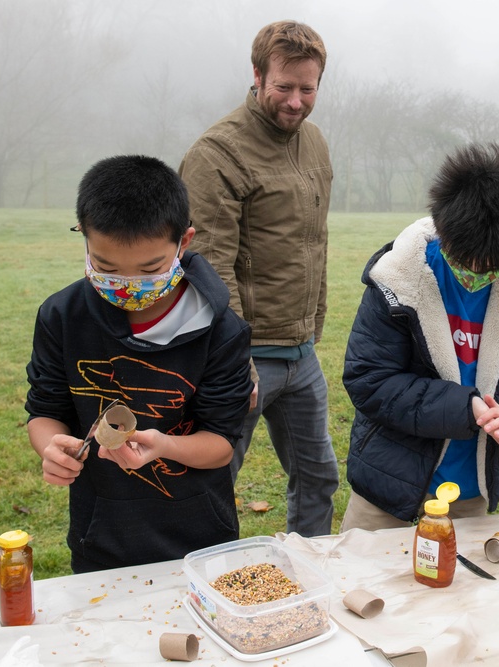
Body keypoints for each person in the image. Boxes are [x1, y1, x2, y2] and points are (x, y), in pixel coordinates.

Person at [25, 155, 253, 573]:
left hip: (199, 535)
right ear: (84, 236)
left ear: (184, 242)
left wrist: (164, 446)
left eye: (150, 269)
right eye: (107, 267)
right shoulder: (62, 316)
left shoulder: (222, 329)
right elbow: (45, 410)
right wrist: (51, 448)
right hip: (102, 533)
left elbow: (220, 444)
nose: (127, 285)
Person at [340, 143, 499, 531]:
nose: (476, 273)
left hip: (469, 494)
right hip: (386, 489)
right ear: (443, 228)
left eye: (492, 267)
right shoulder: (397, 278)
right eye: (464, 260)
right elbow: (369, 379)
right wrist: (466, 408)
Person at [178, 20, 338, 536]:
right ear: (256, 76)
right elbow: (208, 265)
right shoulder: (217, 154)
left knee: (318, 478)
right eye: (283, 87)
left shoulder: (313, 142)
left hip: (301, 352)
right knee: (215, 477)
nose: (295, 102)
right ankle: (203, 578)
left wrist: (313, 325)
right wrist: (234, 357)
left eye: (307, 88)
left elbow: (315, 240)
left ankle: (310, 573)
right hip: (245, 356)